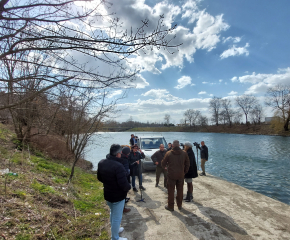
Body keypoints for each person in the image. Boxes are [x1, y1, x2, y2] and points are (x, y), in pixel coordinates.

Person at [97, 144, 131, 240]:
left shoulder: (101, 162)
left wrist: (109, 183)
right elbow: (123, 184)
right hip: (118, 195)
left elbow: (99, 178)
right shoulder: (118, 166)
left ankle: (115, 230)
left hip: (108, 193)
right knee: (117, 217)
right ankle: (115, 238)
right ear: (118, 154)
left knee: (113, 213)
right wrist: (129, 187)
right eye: (120, 153)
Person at [161, 140, 190, 211]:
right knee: (180, 191)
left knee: (171, 191)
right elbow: (188, 164)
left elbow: (163, 163)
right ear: (179, 145)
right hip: (180, 175)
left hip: (171, 175)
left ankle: (170, 206)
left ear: (173, 145)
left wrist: (166, 168)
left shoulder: (168, 153)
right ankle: (179, 205)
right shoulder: (184, 153)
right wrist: (184, 172)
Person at [121, 147, 131, 213]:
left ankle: (124, 200)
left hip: (122, 177)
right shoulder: (124, 159)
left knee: (123, 192)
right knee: (123, 191)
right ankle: (123, 208)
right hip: (123, 177)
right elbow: (126, 170)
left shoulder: (121, 157)